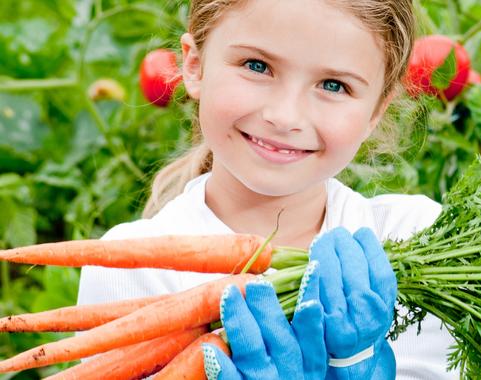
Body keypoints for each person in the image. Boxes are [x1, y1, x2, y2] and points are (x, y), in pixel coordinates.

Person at [77, 0, 458, 378]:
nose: (285, 116)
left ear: (375, 112)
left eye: (333, 85)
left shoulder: (417, 241)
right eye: (257, 66)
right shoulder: (129, 268)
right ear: (194, 66)